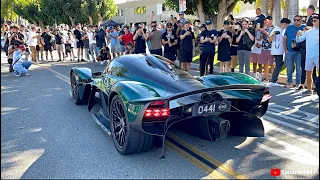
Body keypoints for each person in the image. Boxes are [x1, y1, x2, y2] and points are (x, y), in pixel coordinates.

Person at [296, 13, 319, 96]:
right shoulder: (309, 32)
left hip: (317, 56)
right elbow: (299, 40)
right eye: (313, 21)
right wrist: (297, 35)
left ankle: (318, 92)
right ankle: (309, 90)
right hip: (308, 56)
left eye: (315, 20)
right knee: (308, 72)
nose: (313, 22)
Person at [283, 15, 305, 88]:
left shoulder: (304, 28)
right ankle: (289, 82)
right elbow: (285, 38)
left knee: (299, 68)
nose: (296, 21)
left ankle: (298, 83)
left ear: (301, 20)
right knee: (289, 68)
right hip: (289, 51)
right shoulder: (289, 28)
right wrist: (285, 49)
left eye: (298, 20)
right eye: (295, 20)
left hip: (299, 51)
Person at [268, 18, 291, 87]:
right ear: (284, 24)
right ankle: (273, 81)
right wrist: (274, 35)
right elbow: (269, 40)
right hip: (276, 51)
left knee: (279, 65)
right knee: (278, 65)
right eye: (287, 25)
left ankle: (274, 80)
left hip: (281, 51)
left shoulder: (283, 31)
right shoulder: (276, 29)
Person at [259, 16, 276, 82]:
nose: (265, 22)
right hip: (264, 48)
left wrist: (265, 32)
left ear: (271, 20)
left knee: (272, 64)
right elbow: (259, 38)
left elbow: (271, 38)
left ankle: (273, 79)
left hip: (271, 48)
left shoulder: (274, 28)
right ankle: (266, 78)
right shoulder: (264, 28)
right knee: (265, 64)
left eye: (267, 20)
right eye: (265, 20)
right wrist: (259, 31)